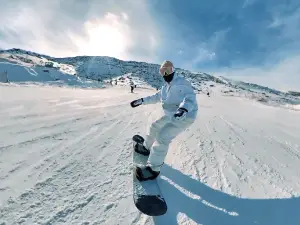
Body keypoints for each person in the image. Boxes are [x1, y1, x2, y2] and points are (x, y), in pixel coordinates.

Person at [130, 60, 198, 181]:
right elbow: (155, 97)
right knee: (154, 126)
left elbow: (190, 98)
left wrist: (184, 109)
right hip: (172, 114)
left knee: (162, 136)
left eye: (168, 71)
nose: (165, 74)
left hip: (185, 116)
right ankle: (146, 147)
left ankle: (153, 170)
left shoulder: (182, 83)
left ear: (173, 70)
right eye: (163, 72)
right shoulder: (165, 88)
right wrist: (141, 101)